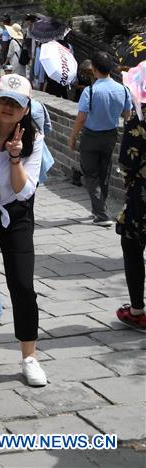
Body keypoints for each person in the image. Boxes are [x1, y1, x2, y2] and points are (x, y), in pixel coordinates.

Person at [0, 74, 48, 387]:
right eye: (3, 100)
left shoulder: (34, 137)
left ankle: (29, 356)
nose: (8, 107)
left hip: (15, 213)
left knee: (22, 282)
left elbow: (22, 190)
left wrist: (16, 156)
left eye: (15, 103)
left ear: (26, 108)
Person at [69, 51, 132, 226]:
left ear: (94, 69)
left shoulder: (90, 91)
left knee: (90, 174)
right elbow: (127, 115)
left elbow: (81, 118)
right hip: (111, 135)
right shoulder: (123, 90)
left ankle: (101, 215)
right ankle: (100, 208)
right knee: (104, 173)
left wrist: (72, 137)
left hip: (91, 136)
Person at [115, 77, 146, 332]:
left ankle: (137, 310)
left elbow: (127, 160)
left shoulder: (139, 118)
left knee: (133, 245)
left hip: (142, 196)